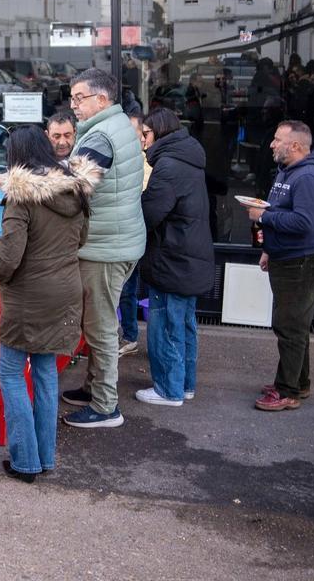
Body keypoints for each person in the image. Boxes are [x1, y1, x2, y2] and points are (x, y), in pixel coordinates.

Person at [0, 126, 100, 483]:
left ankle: (24, 460)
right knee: (45, 372)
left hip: (28, 296)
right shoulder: (75, 190)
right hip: (65, 291)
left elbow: (9, 257)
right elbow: (82, 239)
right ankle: (45, 456)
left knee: (10, 372)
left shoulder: (21, 197)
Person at [61, 68, 145, 429]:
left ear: (102, 99)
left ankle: (106, 406)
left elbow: (74, 183)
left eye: (79, 98)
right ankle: (94, 387)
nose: (73, 105)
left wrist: (24, 186)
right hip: (116, 239)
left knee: (100, 326)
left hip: (105, 247)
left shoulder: (101, 136)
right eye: (72, 98)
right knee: (100, 320)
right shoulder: (117, 125)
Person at [247, 120, 314, 412]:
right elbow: (283, 212)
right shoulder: (288, 171)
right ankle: (299, 382)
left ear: (295, 146)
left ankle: (287, 391)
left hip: (302, 262)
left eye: (277, 139)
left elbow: (304, 223)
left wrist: (263, 217)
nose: (271, 144)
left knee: (290, 328)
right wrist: (269, 249)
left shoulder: (309, 177)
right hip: (287, 258)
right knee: (295, 326)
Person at [135, 109, 213, 407]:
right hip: (190, 256)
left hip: (173, 257)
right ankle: (185, 384)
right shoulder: (189, 159)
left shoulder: (167, 166)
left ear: (160, 133)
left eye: (146, 134)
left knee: (166, 324)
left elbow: (150, 213)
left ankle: (169, 389)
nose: (143, 140)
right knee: (185, 324)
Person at [117, 111, 153, 358]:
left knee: (130, 288)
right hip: (123, 234)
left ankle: (130, 336)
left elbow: (142, 198)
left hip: (139, 234)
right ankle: (128, 336)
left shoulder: (148, 164)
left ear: (142, 136)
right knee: (124, 289)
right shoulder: (120, 161)